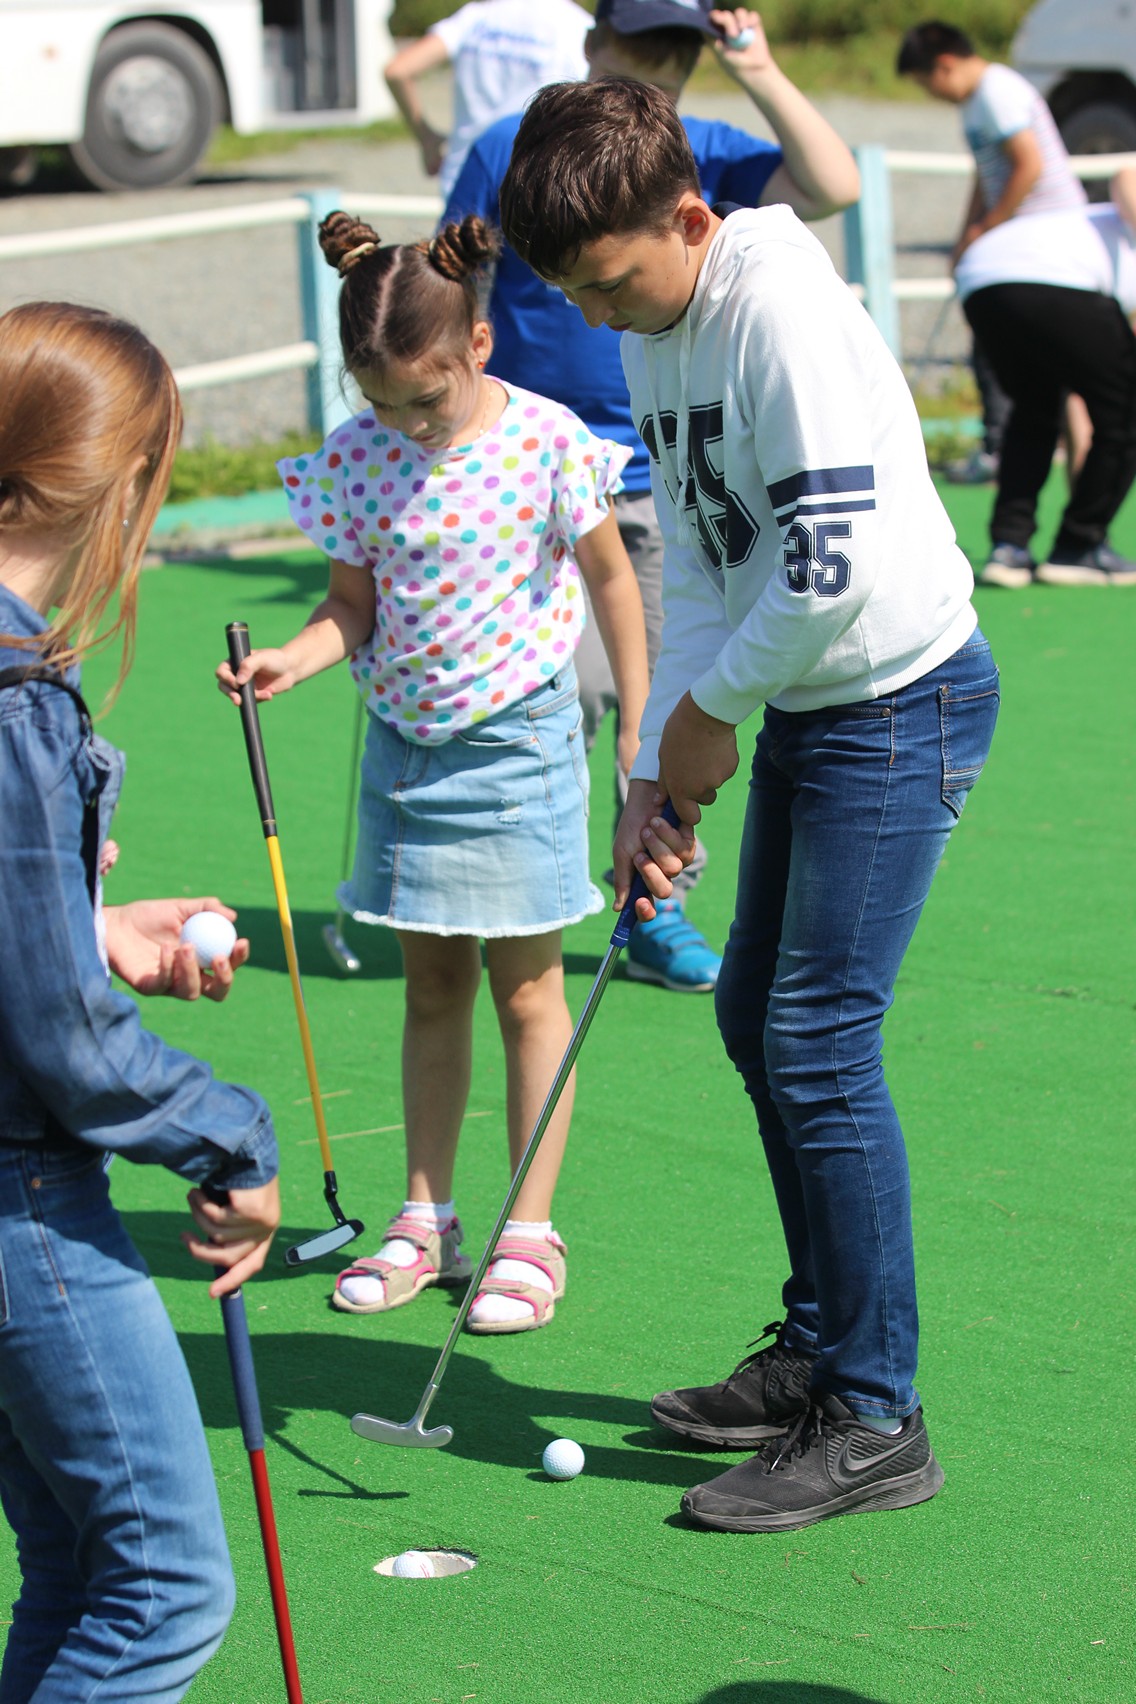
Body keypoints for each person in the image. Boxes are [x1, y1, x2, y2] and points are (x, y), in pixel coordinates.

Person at [500, 78, 1001, 1533]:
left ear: (688, 218)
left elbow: (831, 563)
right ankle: (821, 1345)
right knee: (754, 1021)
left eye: (607, 283)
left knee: (820, 1039)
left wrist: (711, 723)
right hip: (813, 703)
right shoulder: (663, 330)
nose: (595, 318)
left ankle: (875, 1413)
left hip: (901, 702)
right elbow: (716, 567)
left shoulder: (771, 306)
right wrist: (659, 765)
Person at [217, 212, 648, 1333]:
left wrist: (640, 724)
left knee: (526, 993)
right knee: (429, 988)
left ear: (479, 350)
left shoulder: (547, 440)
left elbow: (609, 584)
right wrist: (292, 662)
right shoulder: (360, 457)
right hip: (408, 756)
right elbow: (349, 607)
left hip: (517, 744)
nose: (406, 425)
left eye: (426, 398)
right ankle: (426, 1217)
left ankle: (526, 1233)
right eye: (381, 402)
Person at [444, 0, 861, 994]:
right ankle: (518, 895)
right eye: (641, 45)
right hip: (524, 479)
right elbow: (454, 285)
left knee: (655, 693)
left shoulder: (696, 152)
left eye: (681, 50)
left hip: (653, 476)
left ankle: (651, 909)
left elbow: (833, 184)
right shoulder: (513, 148)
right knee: (566, 692)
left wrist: (753, 62)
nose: (659, 65)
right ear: (591, 43)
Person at [0, 301, 281, 1700]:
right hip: (21, 1204)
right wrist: (228, 1134)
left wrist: (89, 925)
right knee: (165, 1593)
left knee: (76, 1566)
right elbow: (62, 1045)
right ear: (123, 487)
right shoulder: (13, 702)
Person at [897, 19, 1089, 490]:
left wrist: (988, 227)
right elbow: (988, 174)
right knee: (1044, 371)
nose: (932, 95)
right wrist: (969, 235)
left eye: (927, 84)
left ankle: (1081, 505)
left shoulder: (997, 92)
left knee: (1067, 379)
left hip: (1050, 244)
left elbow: (1029, 166)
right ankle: (1065, 503)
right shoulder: (976, 102)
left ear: (944, 65)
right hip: (1024, 247)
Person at [948, 190, 1136, 587]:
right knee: (1126, 413)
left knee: (1033, 409)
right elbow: (1127, 174)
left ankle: (1010, 547)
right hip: (1051, 279)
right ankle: (1078, 545)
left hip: (981, 279)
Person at [384, 0, 589, 198]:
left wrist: (426, 139)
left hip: (466, 179)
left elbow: (398, 71)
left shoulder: (476, 16)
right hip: (534, 186)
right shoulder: (579, 26)